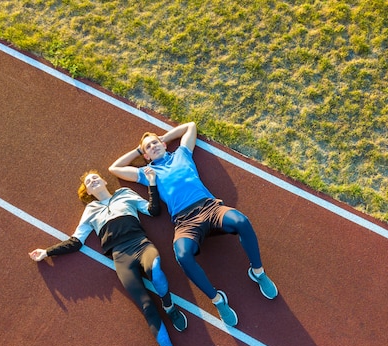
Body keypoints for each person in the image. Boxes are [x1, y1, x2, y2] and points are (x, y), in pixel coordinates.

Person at [108, 121, 278, 327]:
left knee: (242, 221)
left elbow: (190, 126)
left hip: (210, 208)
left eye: (155, 142)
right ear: (146, 156)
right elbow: (114, 168)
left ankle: (257, 272)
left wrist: (164, 138)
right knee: (182, 255)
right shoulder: (147, 173)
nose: (153, 147)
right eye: (148, 148)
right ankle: (218, 300)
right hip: (184, 222)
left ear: (162, 143)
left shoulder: (182, 154)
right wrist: (138, 149)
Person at [28, 168, 189, 346]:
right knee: (146, 306)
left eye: (95, 177)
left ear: (104, 181)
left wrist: (151, 182)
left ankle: (169, 306)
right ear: (88, 192)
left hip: (140, 245)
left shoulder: (124, 194)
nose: (92, 180)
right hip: (121, 258)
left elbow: (152, 210)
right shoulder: (90, 211)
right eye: (88, 182)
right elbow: (77, 241)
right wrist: (47, 251)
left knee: (156, 267)